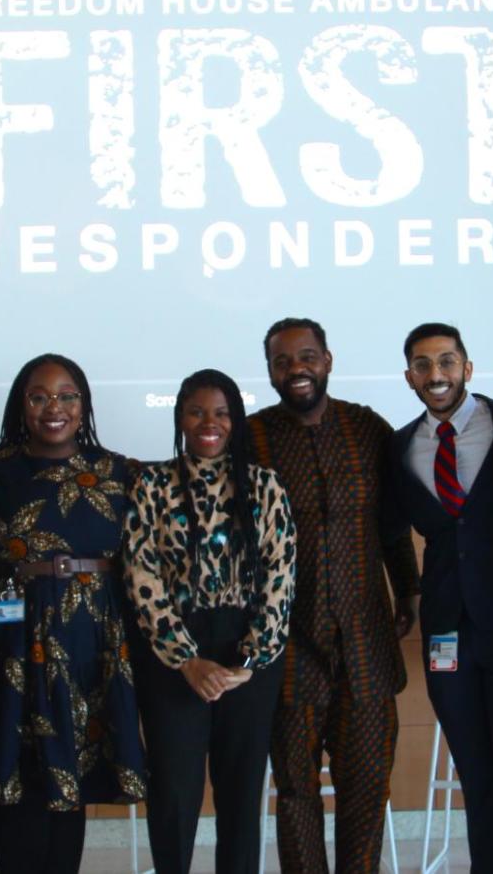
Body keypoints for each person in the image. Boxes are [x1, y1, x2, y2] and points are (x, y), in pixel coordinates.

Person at [247, 317, 420, 874]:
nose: (296, 368)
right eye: (282, 360)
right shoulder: (249, 438)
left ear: (327, 359)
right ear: (271, 370)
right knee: (296, 794)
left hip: (366, 643)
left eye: (307, 356)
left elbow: (390, 523)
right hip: (288, 649)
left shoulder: (368, 429)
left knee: (367, 788)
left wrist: (409, 588)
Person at [0, 354, 147, 874]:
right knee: (16, 775)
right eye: (39, 395)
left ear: (84, 405)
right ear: (20, 405)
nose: (54, 407)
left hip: (90, 644)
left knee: (71, 775)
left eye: (68, 396)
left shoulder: (118, 472)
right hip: (10, 643)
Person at [384, 323, 493, 873]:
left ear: (468, 368)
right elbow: (391, 531)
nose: (437, 375)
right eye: (424, 365)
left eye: (447, 362)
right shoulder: (401, 445)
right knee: (477, 776)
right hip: (447, 630)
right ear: (409, 375)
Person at [122, 369, 297, 874]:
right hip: (173, 655)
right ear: (180, 416)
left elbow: (279, 578)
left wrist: (249, 660)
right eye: (197, 411)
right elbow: (142, 576)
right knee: (175, 791)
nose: (209, 423)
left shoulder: (265, 486)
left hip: (248, 653)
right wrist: (186, 660)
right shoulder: (152, 485)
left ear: (236, 420)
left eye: (221, 412)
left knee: (241, 792)